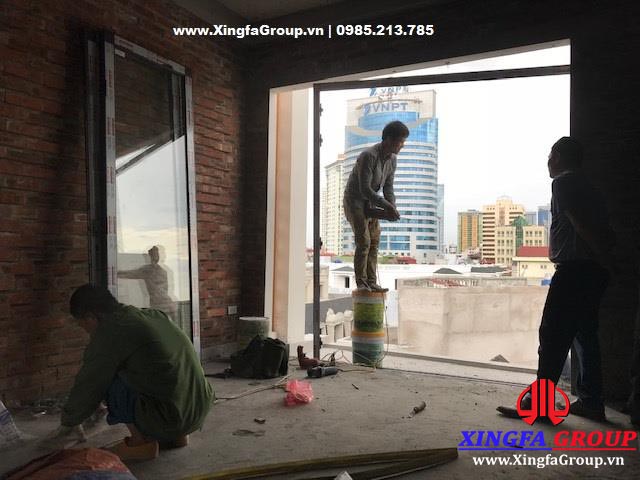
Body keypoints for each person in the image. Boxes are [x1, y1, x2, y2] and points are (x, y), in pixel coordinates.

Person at [498, 137, 615, 421]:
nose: (548, 161)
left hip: (575, 271)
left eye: (550, 155)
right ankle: (591, 402)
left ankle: (540, 406)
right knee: (585, 336)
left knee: (552, 336)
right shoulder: (590, 186)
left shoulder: (564, 183)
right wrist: (606, 263)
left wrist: (603, 257)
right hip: (592, 272)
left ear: (559, 157)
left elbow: (580, 224)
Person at [58, 284, 214, 461]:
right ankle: (179, 436)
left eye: (82, 325)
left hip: (171, 419)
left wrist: (68, 422)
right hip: (197, 411)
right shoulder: (153, 315)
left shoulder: (111, 332)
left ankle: (140, 443)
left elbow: (89, 384)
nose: (86, 331)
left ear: (90, 317)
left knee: (110, 378)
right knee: (157, 371)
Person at [343, 120, 408, 292]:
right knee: (364, 241)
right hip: (355, 200)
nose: (402, 145)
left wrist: (392, 206)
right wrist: (386, 206)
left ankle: (372, 281)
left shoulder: (392, 160)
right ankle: (362, 283)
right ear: (388, 139)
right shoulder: (368, 156)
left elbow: (388, 187)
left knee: (374, 240)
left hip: (371, 201)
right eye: (400, 141)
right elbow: (365, 189)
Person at [118, 245, 177, 320]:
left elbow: (127, 274)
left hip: (162, 306)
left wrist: (114, 273)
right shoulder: (161, 270)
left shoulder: (152, 270)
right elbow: (127, 274)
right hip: (163, 306)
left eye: (156, 254)